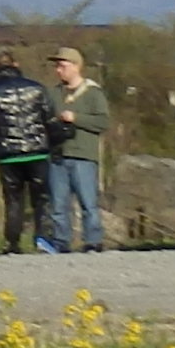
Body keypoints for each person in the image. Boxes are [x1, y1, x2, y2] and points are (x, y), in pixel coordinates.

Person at [0, 44, 59, 249]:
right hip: (38, 151)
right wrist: (56, 148)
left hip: (8, 154)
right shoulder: (37, 88)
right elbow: (50, 121)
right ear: (16, 64)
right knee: (42, 199)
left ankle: (12, 243)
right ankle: (43, 240)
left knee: (13, 200)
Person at [46, 46, 113, 249]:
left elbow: (103, 122)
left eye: (62, 66)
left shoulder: (93, 93)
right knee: (58, 204)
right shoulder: (53, 93)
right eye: (57, 66)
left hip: (83, 156)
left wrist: (76, 118)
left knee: (88, 204)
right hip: (58, 155)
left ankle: (92, 241)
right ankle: (61, 241)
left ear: (76, 66)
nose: (58, 70)